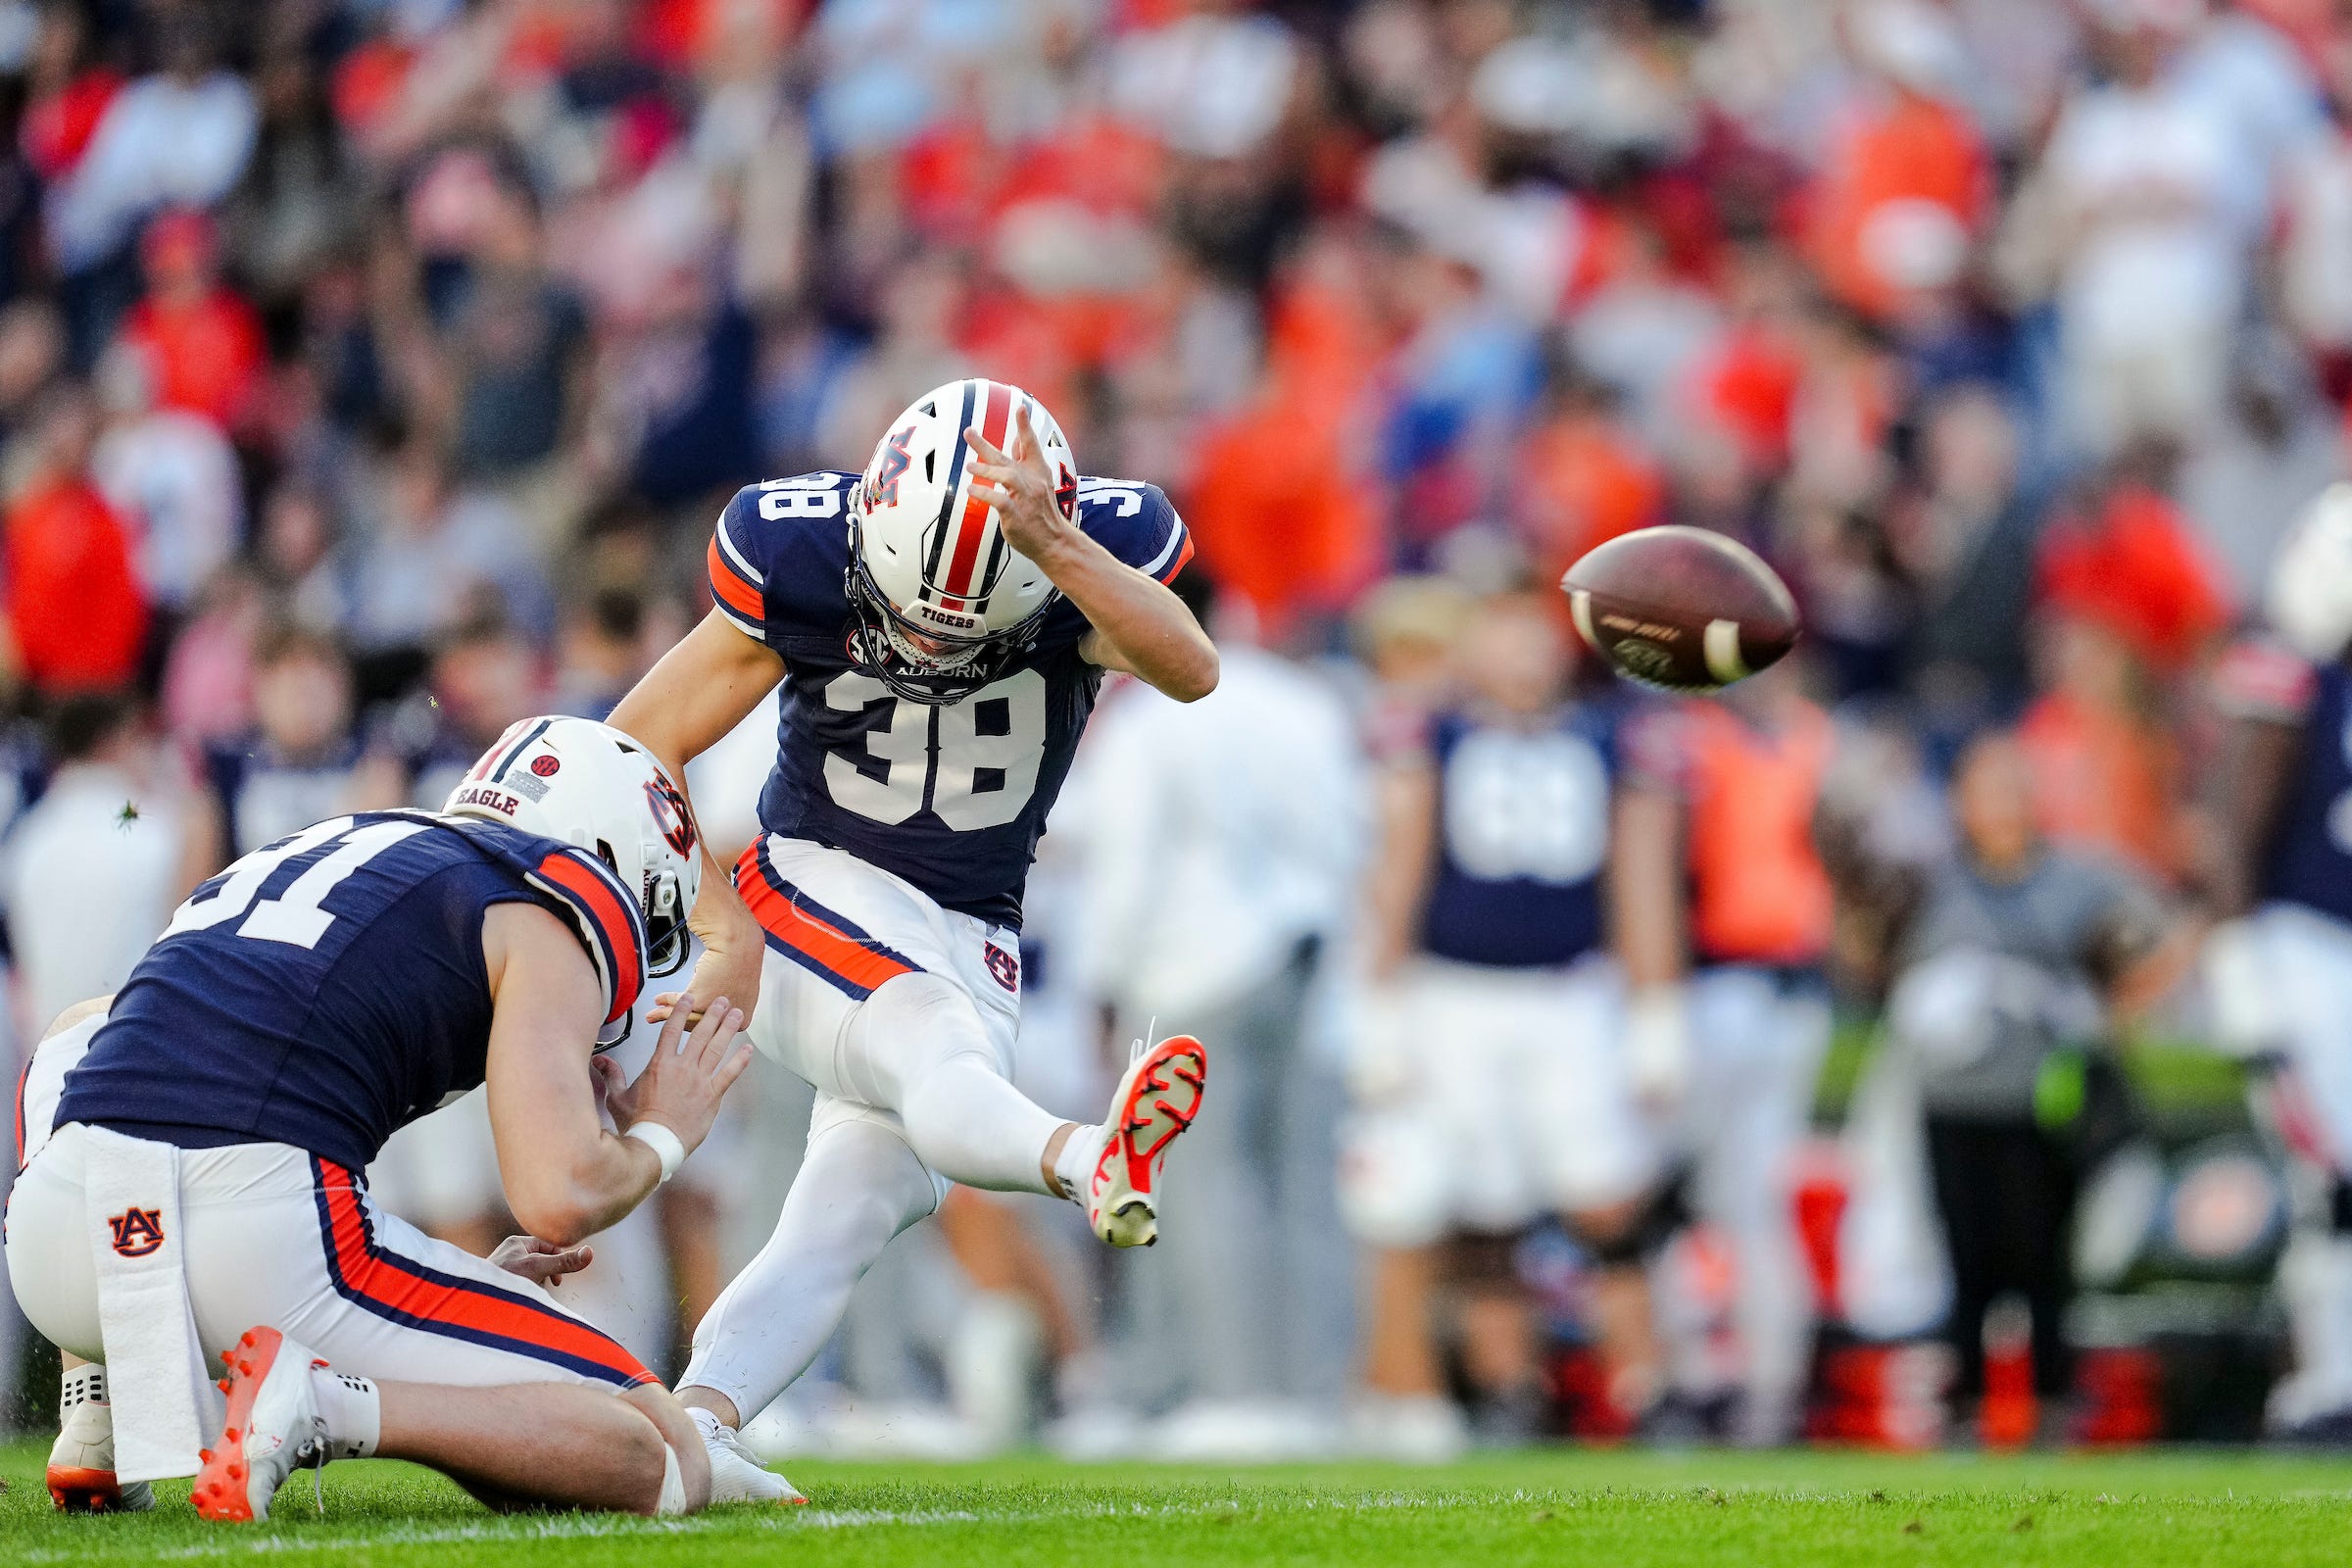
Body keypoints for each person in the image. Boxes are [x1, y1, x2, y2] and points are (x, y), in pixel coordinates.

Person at [605, 377, 1218, 1500]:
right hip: (809, 882)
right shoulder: (802, 551)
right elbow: (636, 741)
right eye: (905, 614)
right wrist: (708, 902)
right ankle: (1093, 1158)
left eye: (962, 623)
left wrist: (1061, 549)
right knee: (938, 1049)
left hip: (973, 924)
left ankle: (695, 1428)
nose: (927, 644)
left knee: (848, 1210)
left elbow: (1191, 668)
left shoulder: (1090, 554)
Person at [7, 716, 744, 1521]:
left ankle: (103, 1395)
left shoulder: (334, 841)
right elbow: (558, 1196)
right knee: (668, 1455)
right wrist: (661, 1134)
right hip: (258, 1240)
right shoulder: (547, 899)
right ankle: (326, 1405)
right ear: (612, 854)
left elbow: (79, 1032)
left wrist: (454, 1283)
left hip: (57, 1239)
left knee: (86, 1030)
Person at [1342, 590, 1665, 1454]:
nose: (1523, 661)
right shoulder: (1436, 734)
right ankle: (1508, 1390)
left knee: (1608, 1199)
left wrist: (1655, 1010)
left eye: (1536, 642)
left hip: (1572, 994)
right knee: (1485, 1210)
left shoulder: (1609, 737)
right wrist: (1382, 999)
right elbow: (1401, 870)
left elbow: (1640, 884)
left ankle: (1647, 1389)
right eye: (1506, 641)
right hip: (1455, 995)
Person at [1073, 568, 1366, 1450]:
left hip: (1193, 967)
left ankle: (1230, 1393)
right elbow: (1351, 838)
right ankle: (1313, 1394)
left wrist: (1104, 980)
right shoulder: (1307, 701)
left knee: (1203, 1189)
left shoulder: (1151, 718)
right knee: (1304, 1189)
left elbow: (1127, 866)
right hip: (1309, 955)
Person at [1879, 731, 2179, 1441]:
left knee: (2043, 1257)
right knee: (1964, 1255)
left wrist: (2101, 1009)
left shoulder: (2080, 881)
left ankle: (2048, 1399)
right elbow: (1869, 955)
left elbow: (2154, 941)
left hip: (2043, 1099)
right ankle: (1966, 1405)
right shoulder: (1931, 885)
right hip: (1954, 1098)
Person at [1615, 663, 1838, 1445]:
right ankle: (1701, 1379)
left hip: (1776, 988)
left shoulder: (1814, 739)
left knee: (1734, 1201)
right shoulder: (1699, 740)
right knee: (1678, 1200)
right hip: (1710, 985)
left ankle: (1756, 1387)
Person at [2199, 484, 2352, 1437]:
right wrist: (2239, 960)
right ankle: (2323, 1385)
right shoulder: (2287, 669)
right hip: (2303, 949)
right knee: (2328, 1185)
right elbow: (2230, 830)